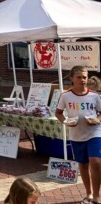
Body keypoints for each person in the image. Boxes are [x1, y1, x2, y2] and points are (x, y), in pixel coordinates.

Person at [55, 65, 101, 204]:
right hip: (76, 135)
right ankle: (89, 193)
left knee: (96, 161)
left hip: (95, 132)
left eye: (85, 77)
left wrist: (97, 120)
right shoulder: (65, 95)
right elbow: (58, 113)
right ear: (71, 79)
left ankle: (97, 195)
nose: (82, 80)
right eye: (79, 77)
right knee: (83, 164)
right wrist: (66, 122)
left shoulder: (94, 96)